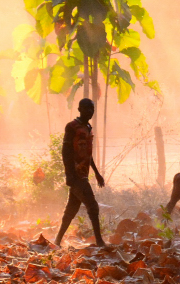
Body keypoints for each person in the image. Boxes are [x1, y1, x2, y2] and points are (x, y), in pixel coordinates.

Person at [54, 98, 105, 247]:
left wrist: (96, 173)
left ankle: (57, 241)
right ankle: (100, 241)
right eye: (87, 109)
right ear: (79, 109)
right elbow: (66, 151)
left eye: (92, 109)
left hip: (83, 173)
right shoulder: (72, 127)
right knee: (93, 206)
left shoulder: (88, 127)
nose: (90, 112)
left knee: (71, 209)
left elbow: (88, 154)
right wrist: (68, 174)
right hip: (76, 175)